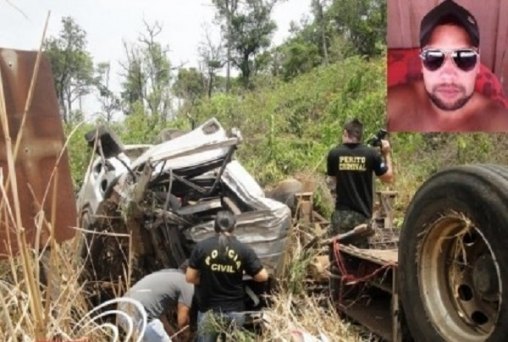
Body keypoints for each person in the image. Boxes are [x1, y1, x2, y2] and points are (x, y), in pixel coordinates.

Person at [387, 0, 508, 132]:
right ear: (422, 63)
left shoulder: (498, 122)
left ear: (478, 64)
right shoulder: (392, 104)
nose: (448, 75)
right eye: (434, 57)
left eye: (464, 57)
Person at [185, 210, 269, 342]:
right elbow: (262, 276)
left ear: (214, 226)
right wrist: (239, 273)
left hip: (209, 311)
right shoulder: (243, 250)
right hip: (235, 310)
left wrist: (207, 278)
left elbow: (190, 277)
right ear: (234, 227)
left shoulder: (201, 247)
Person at [326, 118, 393, 248]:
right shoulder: (371, 154)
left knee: (338, 253)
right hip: (362, 217)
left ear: (345, 133)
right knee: (360, 257)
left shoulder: (334, 154)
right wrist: (386, 154)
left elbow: (332, 181)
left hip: (341, 215)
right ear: (360, 135)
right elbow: (388, 178)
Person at [117, 267, 194, 342]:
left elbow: (162, 321)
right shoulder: (187, 283)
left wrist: (174, 338)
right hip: (140, 315)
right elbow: (183, 320)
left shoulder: (168, 276)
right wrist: (187, 335)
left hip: (123, 312)